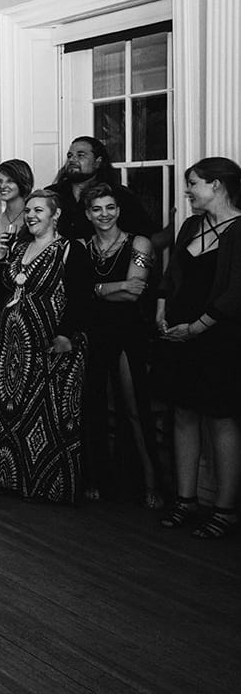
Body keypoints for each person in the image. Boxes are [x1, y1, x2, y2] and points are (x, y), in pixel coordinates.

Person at [0, 189, 92, 503]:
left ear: (55, 214)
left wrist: (66, 334)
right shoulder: (17, 247)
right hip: (13, 345)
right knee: (7, 412)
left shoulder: (69, 250)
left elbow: (81, 298)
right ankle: (2, 477)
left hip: (52, 344)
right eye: (29, 211)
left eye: (39, 210)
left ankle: (46, 485)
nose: (32, 216)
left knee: (47, 414)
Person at [155, 158, 241, 538]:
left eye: (193, 183)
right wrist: (161, 311)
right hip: (178, 334)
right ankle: (186, 499)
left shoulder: (239, 228)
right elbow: (172, 273)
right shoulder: (192, 225)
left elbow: (236, 291)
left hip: (218, 338)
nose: (187, 191)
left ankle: (224, 509)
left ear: (218, 185)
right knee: (183, 413)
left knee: (221, 418)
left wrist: (197, 327)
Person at [80, 183, 161, 506]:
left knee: (134, 408)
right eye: (97, 209)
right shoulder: (81, 248)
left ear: (119, 210)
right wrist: (108, 287)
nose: (104, 214)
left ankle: (152, 481)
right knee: (94, 407)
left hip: (129, 333)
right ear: (88, 213)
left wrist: (95, 288)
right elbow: (78, 293)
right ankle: (96, 478)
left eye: (110, 207)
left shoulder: (138, 243)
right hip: (94, 333)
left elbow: (134, 291)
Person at [46, 136, 156, 241]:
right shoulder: (51, 194)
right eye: (70, 155)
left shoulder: (119, 195)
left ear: (98, 162)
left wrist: (171, 230)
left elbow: (145, 238)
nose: (72, 159)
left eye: (81, 155)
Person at [0, 159, 34, 330]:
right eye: (0, 181)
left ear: (22, 182)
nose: (3, 185)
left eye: (10, 180)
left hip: (28, 308)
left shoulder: (34, 219)